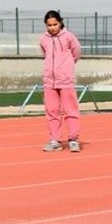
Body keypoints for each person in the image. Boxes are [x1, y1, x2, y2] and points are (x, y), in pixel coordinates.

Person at [39, 10, 83, 152]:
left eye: (55, 24)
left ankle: (73, 139)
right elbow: (45, 55)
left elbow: (76, 53)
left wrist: (67, 66)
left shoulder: (69, 37)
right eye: (49, 25)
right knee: (52, 111)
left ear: (60, 22)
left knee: (70, 110)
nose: (52, 28)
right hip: (49, 81)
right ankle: (55, 140)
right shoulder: (43, 39)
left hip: (65, 80)